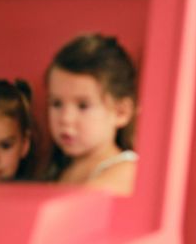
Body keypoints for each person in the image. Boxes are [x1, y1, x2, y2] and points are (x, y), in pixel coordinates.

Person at [44, 33, 138, 195]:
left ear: (121, 112)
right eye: (56, 103)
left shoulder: (127, 170)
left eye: (83, 106)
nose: (65, 118)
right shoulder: (60, 170)